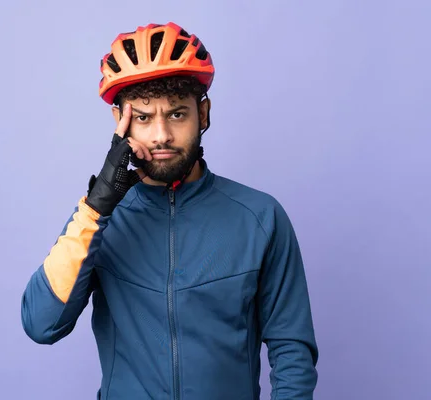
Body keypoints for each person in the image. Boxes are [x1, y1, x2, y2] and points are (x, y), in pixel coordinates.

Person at [21, 22, 318, 400]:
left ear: (203, 115)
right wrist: (96, 208)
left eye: (177, 114)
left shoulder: (261, 217)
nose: (160, 135)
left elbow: (292, 350)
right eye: (143, 118)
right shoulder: (98, 221)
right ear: (121, 123)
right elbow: (41, 324)